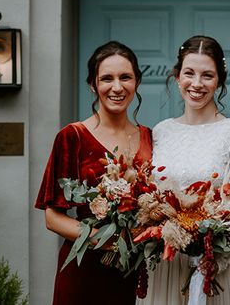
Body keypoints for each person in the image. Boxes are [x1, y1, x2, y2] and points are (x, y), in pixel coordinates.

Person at [35, 41, 153, 305]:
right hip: (84, 270)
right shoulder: (72, 136)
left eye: (125, 77)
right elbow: (52, 218)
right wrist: (104, 238)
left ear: (136, 82)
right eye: (106, 79)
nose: (117, 87)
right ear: (92, 84)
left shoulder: (148, 137)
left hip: (133, 271)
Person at [138, 35, 230, 305]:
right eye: (189, 73)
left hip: (212, 268)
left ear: (219, 81)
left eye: (207, 75)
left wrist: (210, 261)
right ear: (177, 77)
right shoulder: (162, 131)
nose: (196, 84)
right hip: (165, 263)